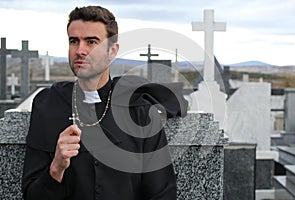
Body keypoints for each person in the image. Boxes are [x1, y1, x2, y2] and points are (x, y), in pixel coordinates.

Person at [22, 5, 187, 200]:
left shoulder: (139, 109)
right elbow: (32, 195)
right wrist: (57, 167)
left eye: (92, 42)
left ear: (112, 51)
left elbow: (162, 193)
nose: (80, 50)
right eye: (74, 41)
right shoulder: (48, 106)